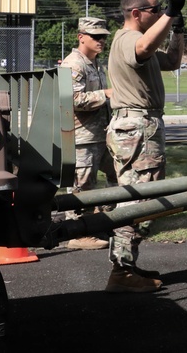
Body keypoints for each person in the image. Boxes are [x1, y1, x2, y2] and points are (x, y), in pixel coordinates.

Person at [105, 0, 186, 293]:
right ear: (136, 14)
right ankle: (121, 272)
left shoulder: (142, 40)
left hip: (143, 126)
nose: (161, 13)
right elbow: (144, 49)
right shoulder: (128, 39)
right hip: (136, 128)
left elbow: (172, 61)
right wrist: (171, 13)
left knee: (140, 199)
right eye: (156, 9)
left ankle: (127, 266)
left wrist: (176, 27)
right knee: (140, 202)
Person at [62, 17, 117, 250]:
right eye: (96, 36)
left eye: (103, 36)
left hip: (100, 134)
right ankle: (77, 233)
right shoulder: (74, 64)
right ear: (81, 37)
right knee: (82, 185)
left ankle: (107, 219)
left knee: (117, 173)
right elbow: (71, 99)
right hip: (81, 136)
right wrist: (105, 94)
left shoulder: (94, 63)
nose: (101, 40)